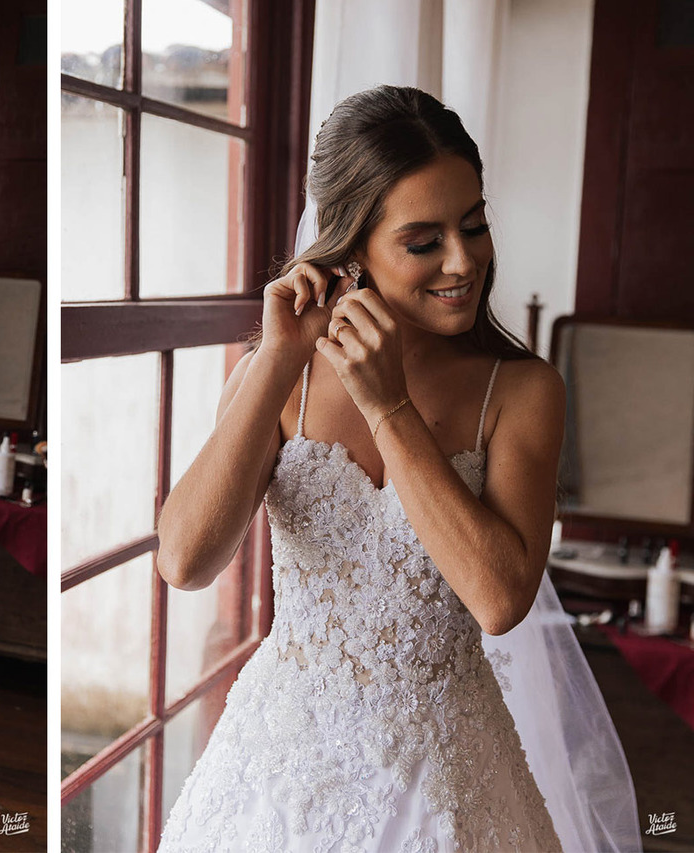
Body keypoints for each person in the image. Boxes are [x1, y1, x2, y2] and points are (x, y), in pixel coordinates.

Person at [155, 86, 640, 851]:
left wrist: (390, 409)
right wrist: (280, 356)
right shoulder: (284, 373)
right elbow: (184, 559)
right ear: (353, 248)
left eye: (473, 225)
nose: (463, 260)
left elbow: (499, 598)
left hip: (445, 777)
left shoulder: (521, 391)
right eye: (424, 241)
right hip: (282, 772)